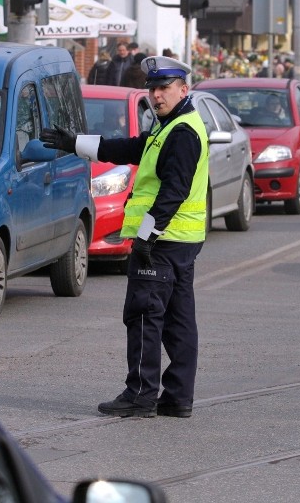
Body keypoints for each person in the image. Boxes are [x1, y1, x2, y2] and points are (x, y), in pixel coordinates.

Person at [40, 56, 209, 419]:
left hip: (162, 242)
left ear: (184, 89)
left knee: (145, 315)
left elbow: (173, 192)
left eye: (164, 89)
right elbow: (129, 147)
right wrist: (75, 144)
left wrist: (146, 237)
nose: (157, 95)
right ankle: (178, 397)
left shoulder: (181, 132)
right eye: (152, 89)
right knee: (178, 322)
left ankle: (140, 394)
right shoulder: (172, 126)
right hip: (179, 241)